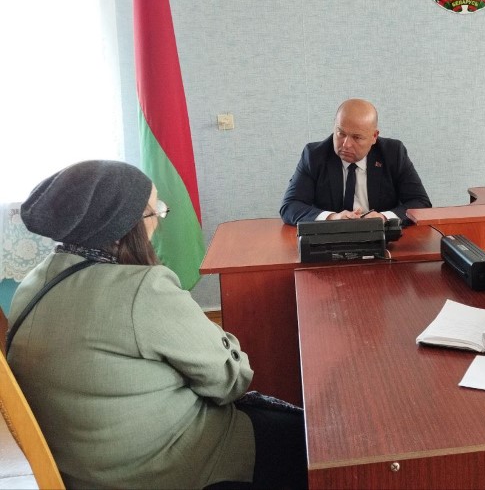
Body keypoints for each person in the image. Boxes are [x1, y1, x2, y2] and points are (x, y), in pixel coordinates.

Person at [6, 160, 307, 489]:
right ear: (127, 226)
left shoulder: (34, 282)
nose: (159, 221)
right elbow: (230, 381)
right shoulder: (141, 290)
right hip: (166, 468)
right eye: (155, 211)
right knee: (315, 441)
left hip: (87, 471)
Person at [280, 98, 431, 225]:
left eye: (357, 137)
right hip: (330, 239)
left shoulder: (393, 153)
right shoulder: (314, 155)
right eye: (341, 133)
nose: (346, 144)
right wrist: (332, 218)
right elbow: (290, 206)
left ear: (374, 136)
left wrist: (384, 218)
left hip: (383, 239)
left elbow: (420, 203)